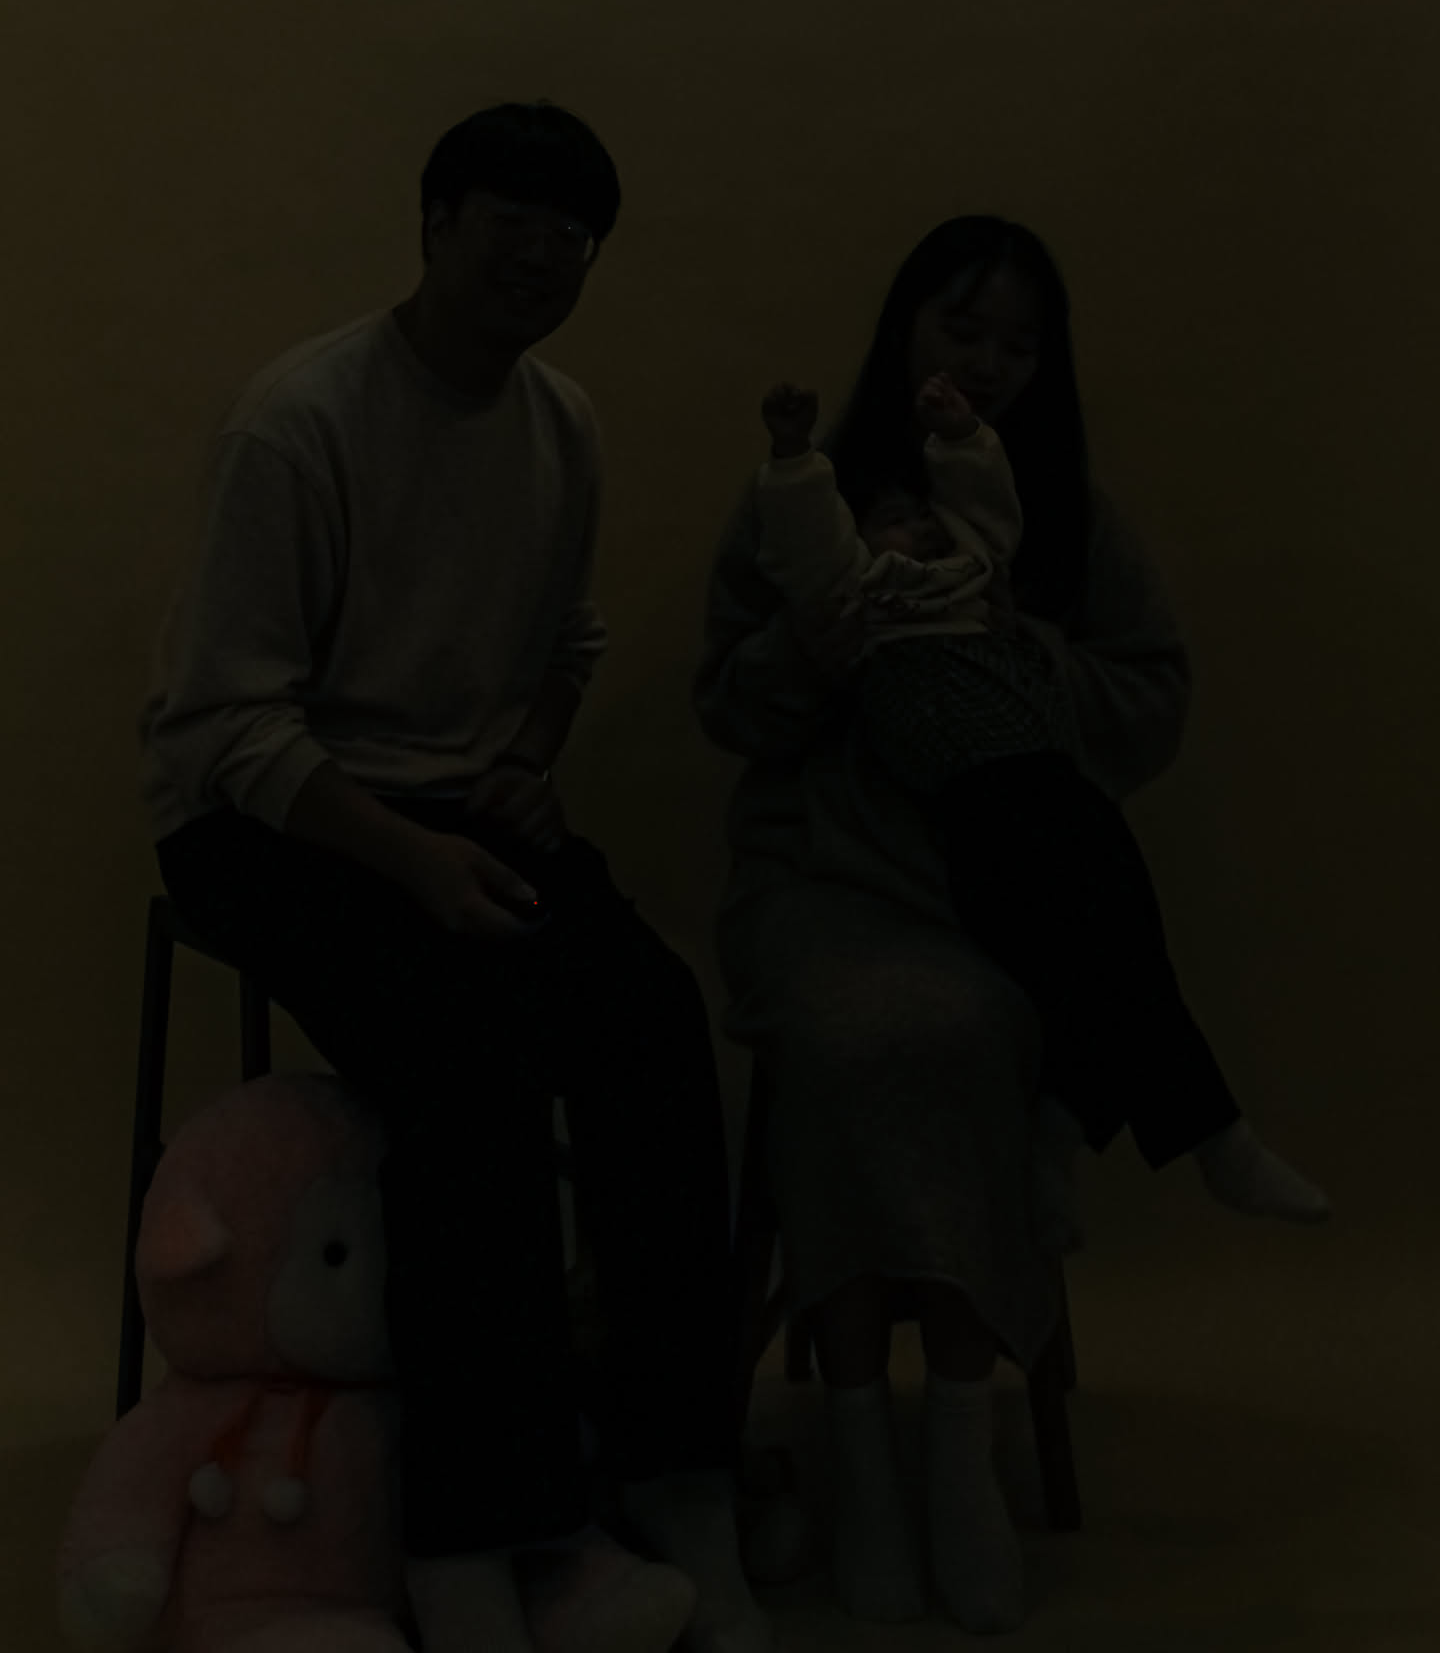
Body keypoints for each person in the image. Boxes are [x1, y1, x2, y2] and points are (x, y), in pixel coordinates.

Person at [139, 102, 775, 1653]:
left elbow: (568, 638)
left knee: (650, 1020)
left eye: (575, 235)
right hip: (266, 814)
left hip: (453, 805)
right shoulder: (302, 421)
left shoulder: (561, 425)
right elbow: (228, 722)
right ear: (435, 224)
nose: (546, 255)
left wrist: (527, 763)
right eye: (515, 221)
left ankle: (675, 1471)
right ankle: (478, 1538)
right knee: (464, 1050)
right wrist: (414, 858)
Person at [691, 215, 1328, 1637]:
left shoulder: (1058, 513)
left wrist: (1009, 657)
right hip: (822, 878)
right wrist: (833, 637)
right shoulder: (808, 493)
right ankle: (861, 1445)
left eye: (1019, 343)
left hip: (997, 891)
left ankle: (957, 1451)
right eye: (961, 327)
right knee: (850, 1040)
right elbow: (726, 701)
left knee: (981, 1021)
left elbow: (1150, 690)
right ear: (904, 328)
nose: (988, 361)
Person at [750, 364, 1330, 1254]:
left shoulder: (978, 580)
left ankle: (1072, 1125)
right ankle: (1203, 1135)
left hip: (1052, 779)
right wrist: (793, 455)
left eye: (923, 514)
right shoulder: (860, 598)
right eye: (890, 518)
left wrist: (959, 437)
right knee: (1085, 944)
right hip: (971, 794)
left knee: (1115, 942)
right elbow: (805, 542)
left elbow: (987, 510)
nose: (917, 527)